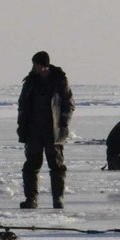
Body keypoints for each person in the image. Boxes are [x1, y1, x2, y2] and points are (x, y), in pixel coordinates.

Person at [16, 51, 75, 209]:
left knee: (56, 165)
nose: (33, 67)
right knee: (31, 166)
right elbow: (22, 104)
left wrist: (63, 123)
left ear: (44, 66)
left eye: (35, 64)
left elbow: (68, 104)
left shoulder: (59, 80)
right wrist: (22, 126)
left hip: (53, 131)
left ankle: (58, 199)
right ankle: (31, 199)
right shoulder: (30, 81)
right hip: (33, 130)